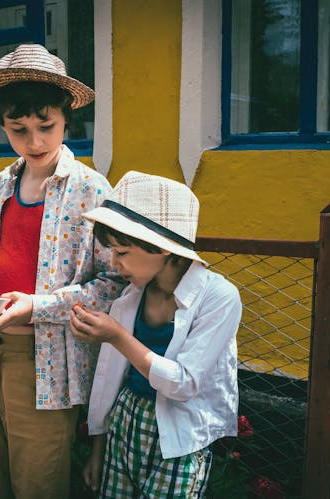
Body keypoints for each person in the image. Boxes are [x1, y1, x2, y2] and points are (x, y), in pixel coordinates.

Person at [0, 43, 125, 499]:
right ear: (3, 124)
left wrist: (39, 306)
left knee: (37, 487)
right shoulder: (4, 181)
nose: (35, 142)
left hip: (44, 363)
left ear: (67, 115)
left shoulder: (91, 189)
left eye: (46, 126)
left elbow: (114, 285)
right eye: (18, 129)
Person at [69, 171, 243, 498]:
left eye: (121, 251)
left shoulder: (219, 297)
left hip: (180, 437)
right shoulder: (131, 296)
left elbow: (185, 383)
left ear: (161, 248)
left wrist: (117, 337)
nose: (114, 264)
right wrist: (98, 450)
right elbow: (111, 381)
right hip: (124, 422)